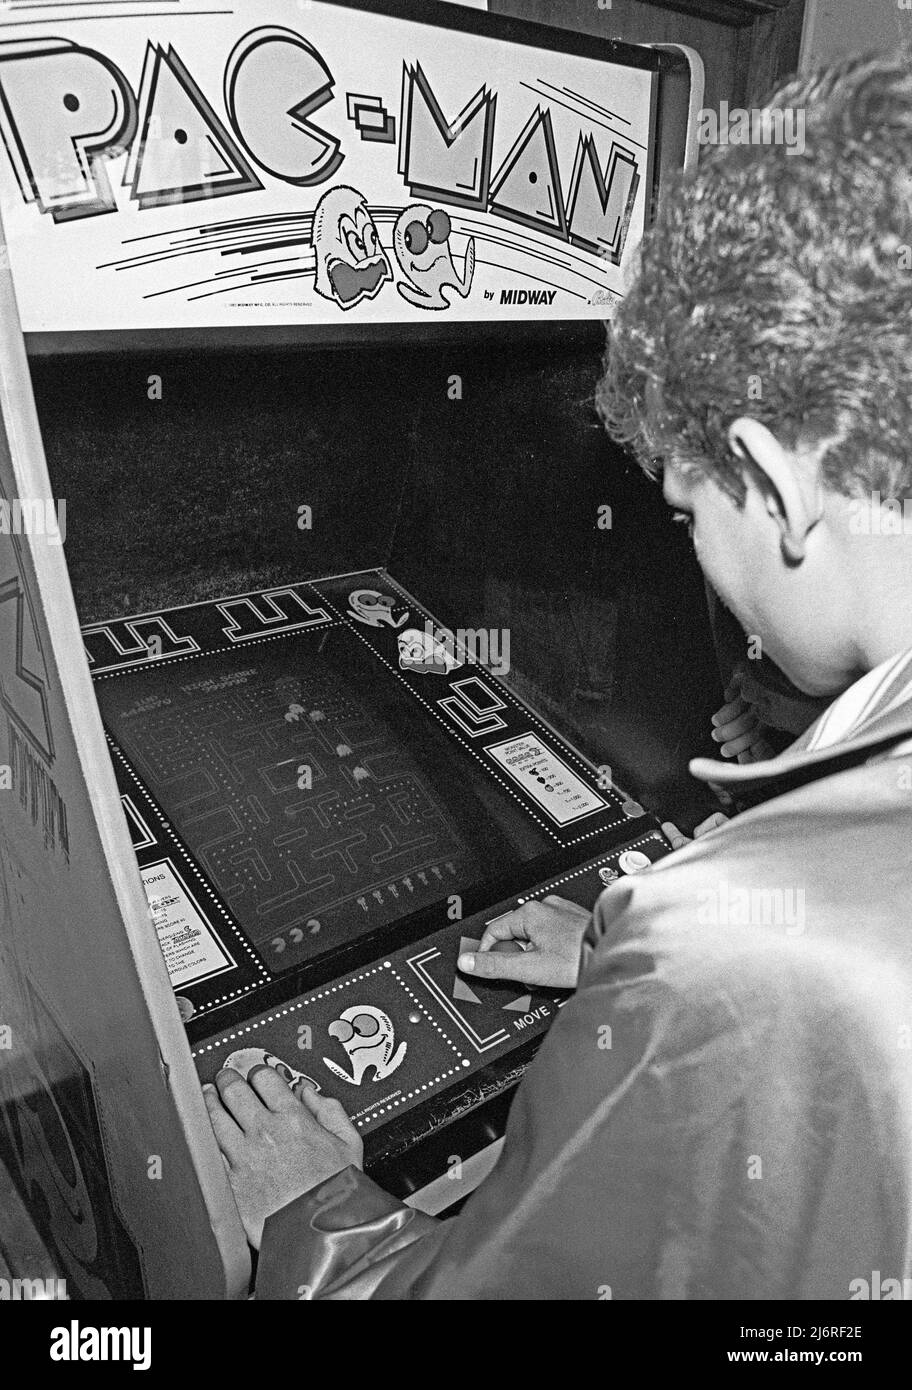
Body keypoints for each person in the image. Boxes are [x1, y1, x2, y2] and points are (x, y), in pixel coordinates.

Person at [203, 51, 912, 1299]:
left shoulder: (737, 956)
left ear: (776, 483)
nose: (698, 559)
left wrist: (312, 1208)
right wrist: (625, 976)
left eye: (689, 515)